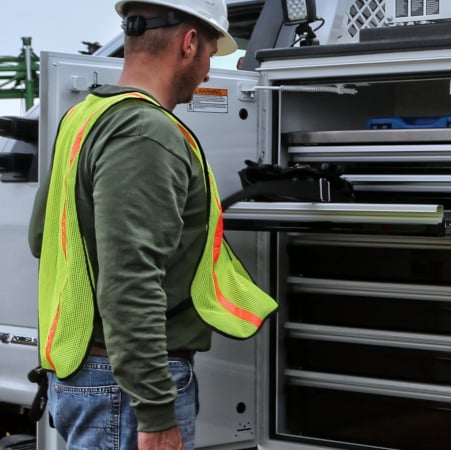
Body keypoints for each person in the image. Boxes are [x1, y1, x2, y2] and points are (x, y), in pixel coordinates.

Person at [28, 1, 276, 449]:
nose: (206, 73)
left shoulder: (83, 117)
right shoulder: (147, 133)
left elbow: (40, 239)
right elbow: (130, 282)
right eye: (209, 56)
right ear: (189, 43)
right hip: (127, 392)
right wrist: (156, 413)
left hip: (89, 379)